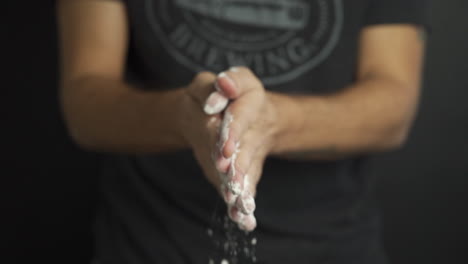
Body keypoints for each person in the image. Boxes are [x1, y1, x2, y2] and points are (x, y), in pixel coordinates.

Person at [57, 0, 428, 263]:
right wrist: (184, 118)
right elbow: (85, 102)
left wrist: (273, 122)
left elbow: (393, 108)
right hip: (149, 244)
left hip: (331, 245)